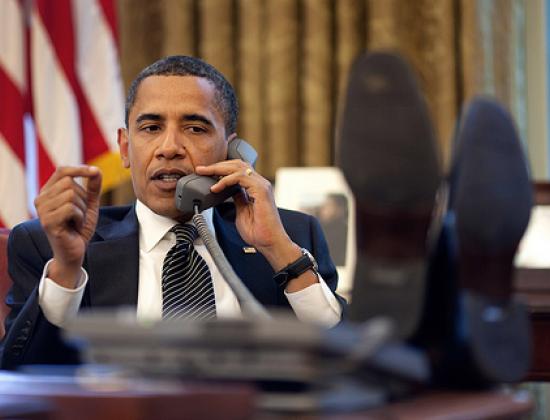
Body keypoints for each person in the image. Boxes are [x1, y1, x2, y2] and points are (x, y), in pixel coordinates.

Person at [1, 56, 344, 370]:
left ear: (232, 150)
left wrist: (279, 250)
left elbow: (349, 367)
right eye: (151, 128)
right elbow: (21, 376)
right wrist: (66, 269)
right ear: (125, 148)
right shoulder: (51, 245)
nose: (169, 149)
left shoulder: (291, 237)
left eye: (195, 128)